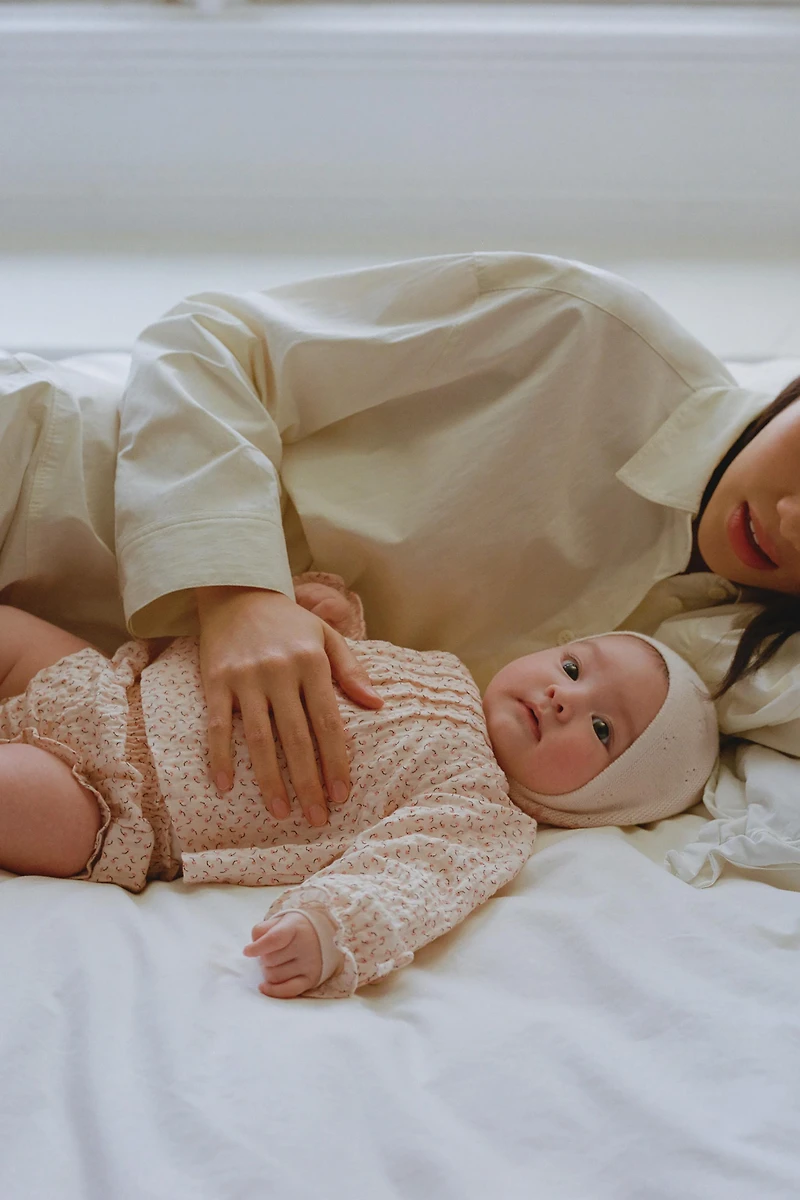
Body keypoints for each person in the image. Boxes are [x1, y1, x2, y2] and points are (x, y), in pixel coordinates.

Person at [1, 252, 799, 829]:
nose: (793, 520)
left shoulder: (742, 666)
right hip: (44, 489)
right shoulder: (585, 334)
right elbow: (206, 338)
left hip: (81, 739)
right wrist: (239, 593)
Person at [0, 573, 718, 999]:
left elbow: (409, 885)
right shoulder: (444, 668)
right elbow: (335, 662)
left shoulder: (480, 814)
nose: (567, 699)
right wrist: (328, 614)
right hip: (107, 681)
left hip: (111, 804)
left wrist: (330, 931)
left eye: (602, 731)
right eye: (571, 668)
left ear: (598, 805)